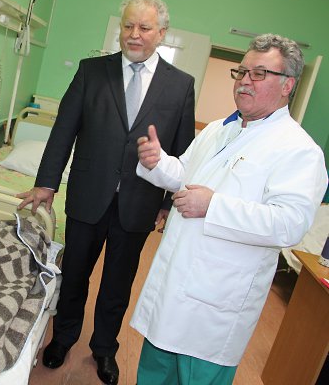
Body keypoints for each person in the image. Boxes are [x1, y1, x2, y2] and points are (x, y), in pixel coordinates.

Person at [17, 0, 195, 384]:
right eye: (128, 25)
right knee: (75, 273)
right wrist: (46, 182)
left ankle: (104, 349)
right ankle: (63, 337)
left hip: (140, 201)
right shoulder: (91, 71)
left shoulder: (180, 85)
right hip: (88, 194)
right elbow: (64, 129)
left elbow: (183, 150)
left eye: (144, 27)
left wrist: (168, 202)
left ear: (161, 33)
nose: (134, 34)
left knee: (117, 283)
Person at [131, 33, 328, 384]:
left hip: (215, 302)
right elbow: (185, 174)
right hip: (173, 287)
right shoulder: (218, 130)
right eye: (242, 72)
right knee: (153, 373)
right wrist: (157, 162)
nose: (245, 81)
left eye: (259, 74)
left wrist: (213, 206)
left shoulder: (299, 149)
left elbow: (290, 224)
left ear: (288, 85)